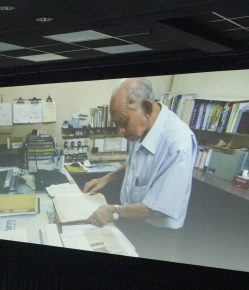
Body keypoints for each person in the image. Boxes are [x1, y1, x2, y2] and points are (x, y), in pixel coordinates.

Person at [82, 77, 197, 231]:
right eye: (116, 123)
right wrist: (105, 179)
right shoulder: (143, 127)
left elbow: (161, 208)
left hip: (157, 231)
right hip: (132, 218)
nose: (120, 130)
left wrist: (113, 211)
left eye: (124, 122)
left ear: (147, 108)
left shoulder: (178, 143)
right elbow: (134, 163)